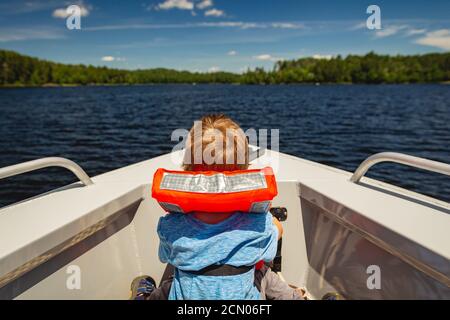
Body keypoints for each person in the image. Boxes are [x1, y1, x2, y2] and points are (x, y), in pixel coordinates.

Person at [132, 114, 304, 300]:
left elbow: (165, 256)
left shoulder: (171, 225)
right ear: (243, 173)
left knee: (172, 282)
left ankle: (144, 296)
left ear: (188, 170)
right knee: (262, 269)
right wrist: (274, 224)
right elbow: (276, 233)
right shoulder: (259, 226)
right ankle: (295, 297)